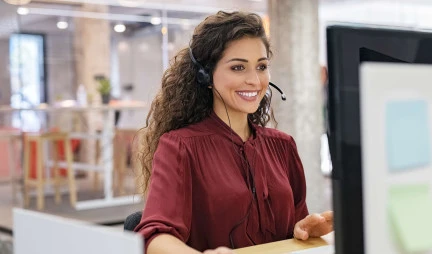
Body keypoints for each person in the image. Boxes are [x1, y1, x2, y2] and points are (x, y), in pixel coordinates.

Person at [134, 11, 334, 254]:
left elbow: (293, 228)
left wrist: (303, 229)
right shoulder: (179, 146)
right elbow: (154, 238)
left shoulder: (283, 145)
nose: (254, 80)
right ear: (205, 75)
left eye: (261, 66)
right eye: (238, 67)